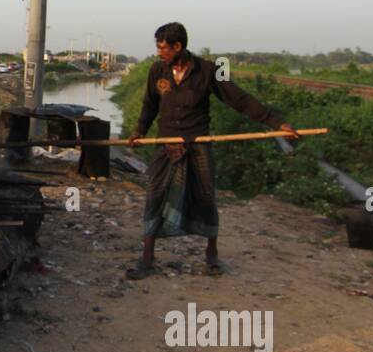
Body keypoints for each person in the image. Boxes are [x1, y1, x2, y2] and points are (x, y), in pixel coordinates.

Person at [126, 23, 299, 279]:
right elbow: (150, 104)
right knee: (155, 196)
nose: (158, 52)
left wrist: (275, 122)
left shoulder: (208, 71)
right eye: (158, 47)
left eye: (163, 48)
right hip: (165, 144)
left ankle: (211, 256)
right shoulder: (157, 70)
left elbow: (239, 99)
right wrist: (139, 130)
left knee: (206, 198)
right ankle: (147, 259)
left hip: (197, 143)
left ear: (178, 46)